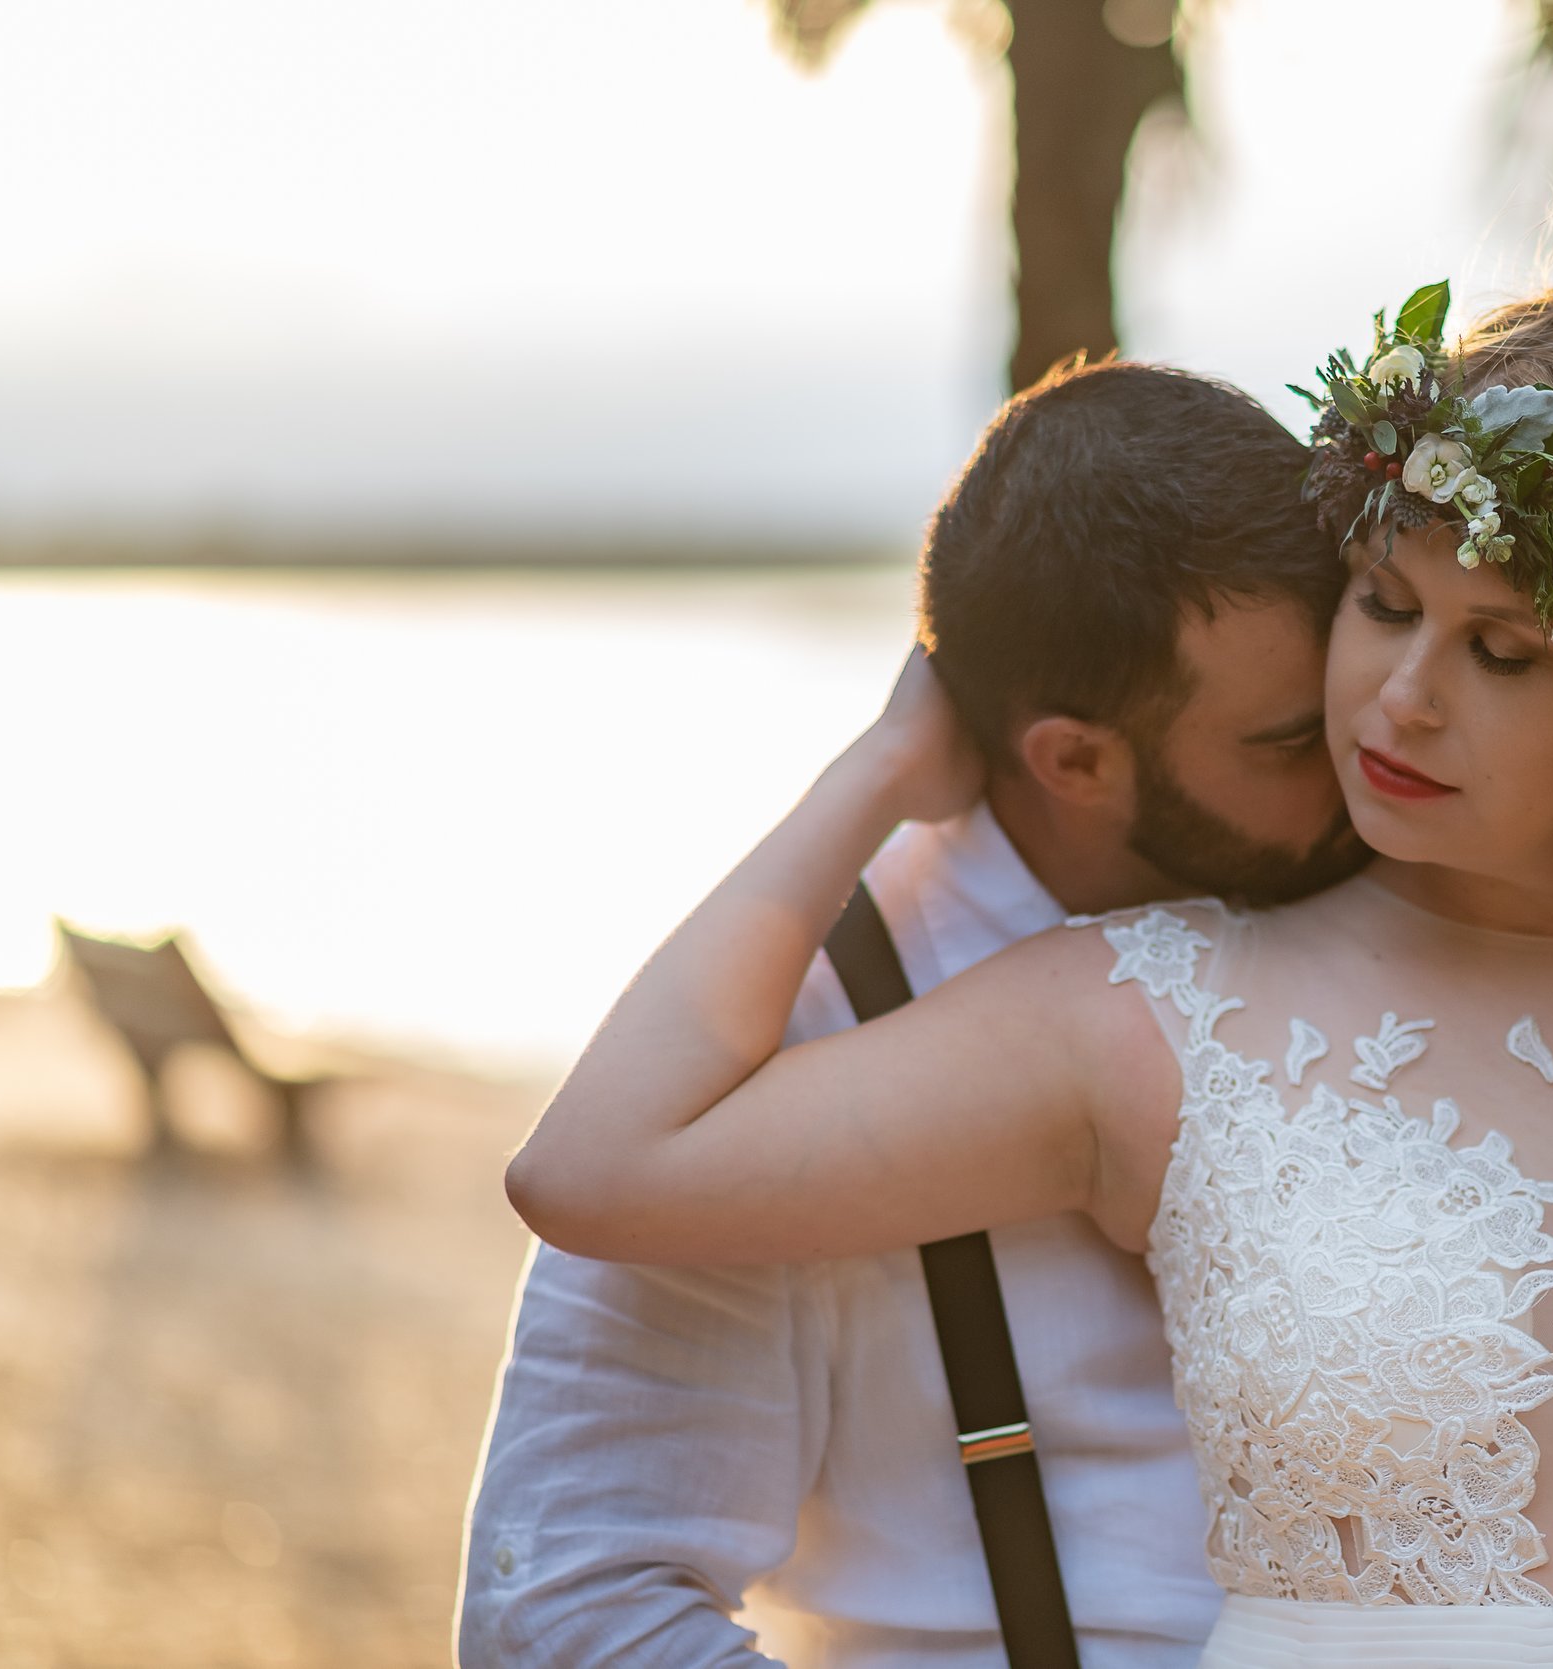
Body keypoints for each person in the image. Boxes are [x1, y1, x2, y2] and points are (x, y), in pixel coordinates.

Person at [503, 216, 1553, 1669]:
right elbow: (597, 1169)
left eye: (1501, 649)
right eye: (1379, 604)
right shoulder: (1158, 1014)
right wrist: (882, 773)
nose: (1400, 697)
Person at [457, 359, 1368, 1667]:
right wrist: (880, 767)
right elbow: (558, 1605)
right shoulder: (782, 1038)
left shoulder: (1371, 911)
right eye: (1287, 743)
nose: (1357, 763)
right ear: (1075, 759)